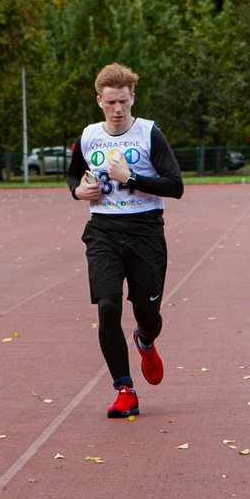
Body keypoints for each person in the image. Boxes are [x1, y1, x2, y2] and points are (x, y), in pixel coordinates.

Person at [66, 63, 184, 417]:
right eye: (111, 103)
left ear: (133, 98)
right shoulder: (89, 136)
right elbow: (73, 173)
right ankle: (125, 390)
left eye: (124, 102)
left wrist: (130, 177)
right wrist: (79, 191)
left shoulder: (149, 134)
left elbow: (175, 185)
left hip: (146, 231)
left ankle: (145, 340)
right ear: (99, 100)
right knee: (108, 307)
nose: (118, 110)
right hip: (102, 230)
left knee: (148, 315)